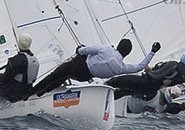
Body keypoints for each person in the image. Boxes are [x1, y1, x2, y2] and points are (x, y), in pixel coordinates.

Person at [30, 38, 160, 97]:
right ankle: (44, 93)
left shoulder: (107, 49)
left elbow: (87, 50)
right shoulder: (121, 68)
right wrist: (152, 52)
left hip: (78, 66)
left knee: (55, 75)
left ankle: (32, 92)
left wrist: (79, 49)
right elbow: (139, 67)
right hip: (84, 77)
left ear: (118, 45)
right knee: (63, 76)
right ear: (127, 54)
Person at [109, 51, 185, 103]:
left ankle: (104, 89)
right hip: (150, 92)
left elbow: (157, 76)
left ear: (182, 58)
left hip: (144, 82)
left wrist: (149, 71)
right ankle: (108, 100)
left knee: (116, 81)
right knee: (123, 92)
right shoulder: (184, 76)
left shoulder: (173, 64)